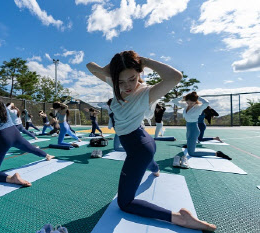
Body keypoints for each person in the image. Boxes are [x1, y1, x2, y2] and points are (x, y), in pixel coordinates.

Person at [87, 50, 216, 231]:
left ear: (139, 72)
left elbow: (174, 76)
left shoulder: (145, 93)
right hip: (143, 142)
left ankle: (180, 218)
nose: (127, 86)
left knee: (125, 203)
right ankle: (155, 169)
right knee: (149, 163)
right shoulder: (116, 84)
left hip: (139, 148)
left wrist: (144, 61)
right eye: (121, 81)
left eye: (132, 78)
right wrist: (112, 73)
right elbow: (90, 66)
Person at [0, 79, 54, 186]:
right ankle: (47, 155)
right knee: (30, 148)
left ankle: (12, 178)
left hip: (3, 137)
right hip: (14, 133)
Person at [172, 92, 231, 168]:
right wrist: (183, 97)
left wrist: (197, 97)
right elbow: (174, 101)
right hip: (189, 129)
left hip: (194, 129)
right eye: (188, 102)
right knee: (189, 146)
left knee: (191, 153)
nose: (189, 104)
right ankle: (191, 146)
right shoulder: (186, 105)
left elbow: (206, 103)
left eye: (192, 102)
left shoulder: (199, 107)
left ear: (195, 101)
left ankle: (217, 153)